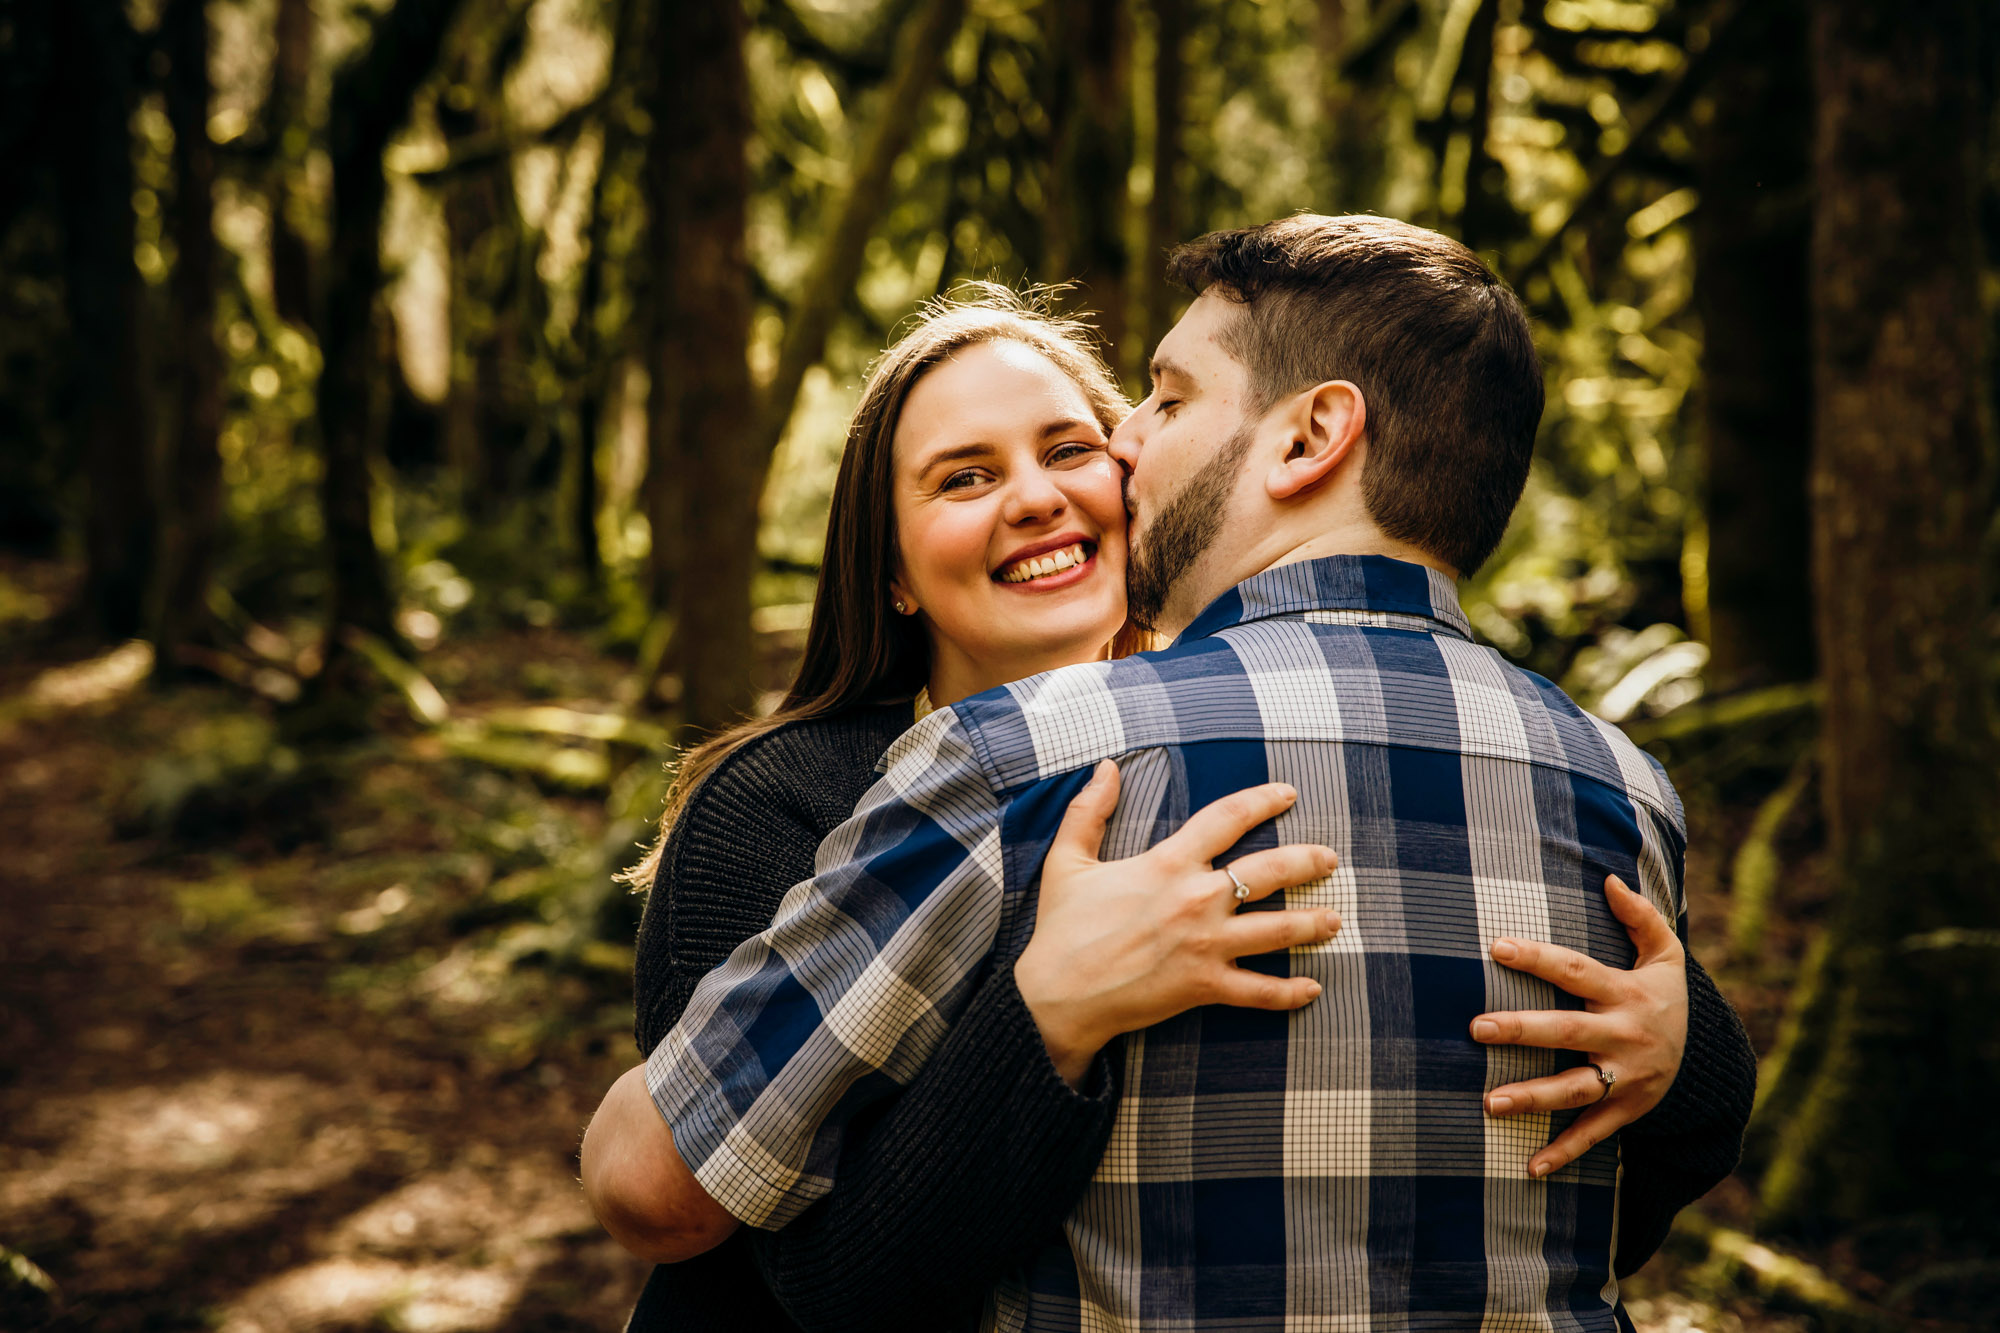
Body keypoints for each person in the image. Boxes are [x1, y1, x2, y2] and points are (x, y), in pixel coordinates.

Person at [586, 244, 1756, 1328]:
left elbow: (1581, 1180)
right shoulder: (790, 799)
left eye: (1083, 441)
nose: (1058, 486)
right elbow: (748, 1255)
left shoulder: (1080, 753)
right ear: (888, 568)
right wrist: (1047, 1007)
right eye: (961, 477)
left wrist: (1684, 1040)